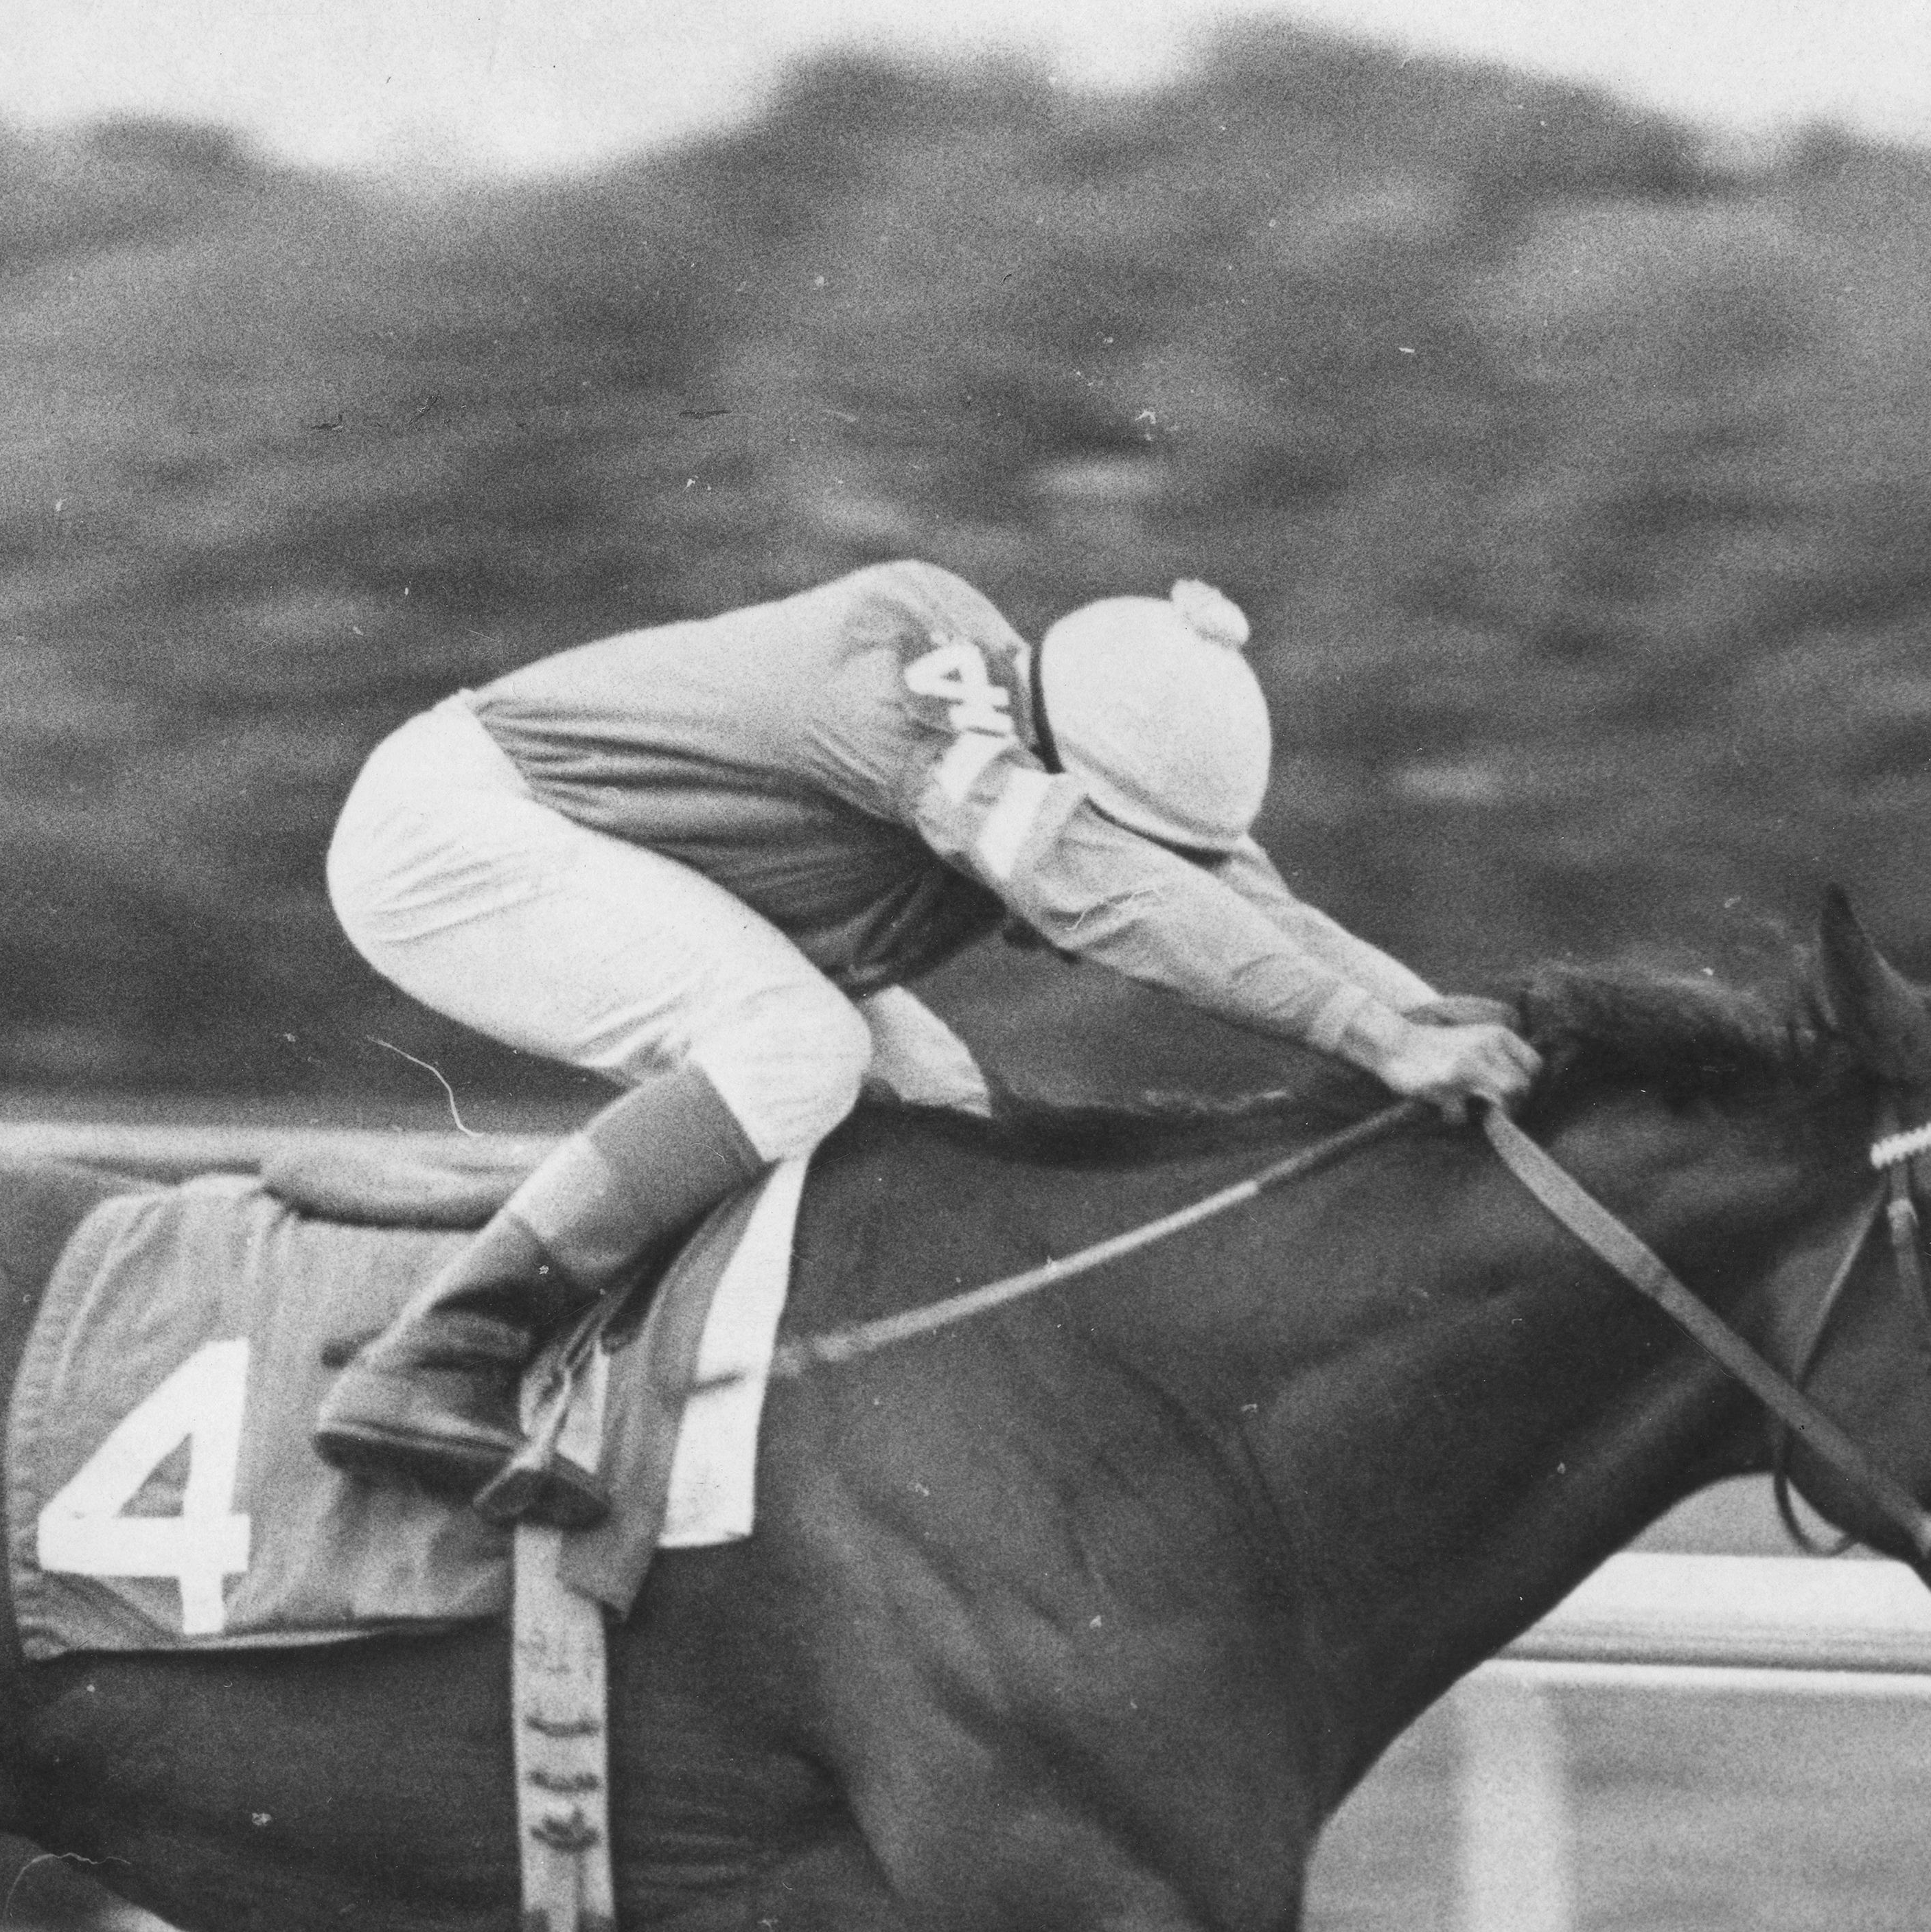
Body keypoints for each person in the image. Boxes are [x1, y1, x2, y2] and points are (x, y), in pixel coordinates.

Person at [312, 562, 1540, 1527]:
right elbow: (1102, 888)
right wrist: (1373, 1040)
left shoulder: (1066, 722)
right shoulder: (911, 699)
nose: (1134, 857)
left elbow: (1258, 912)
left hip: (610, 846)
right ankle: (432, 1357)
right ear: (1061, 759)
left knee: (944, 1102)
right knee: (798, 1050)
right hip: (453, 836)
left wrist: (1438, 1025)